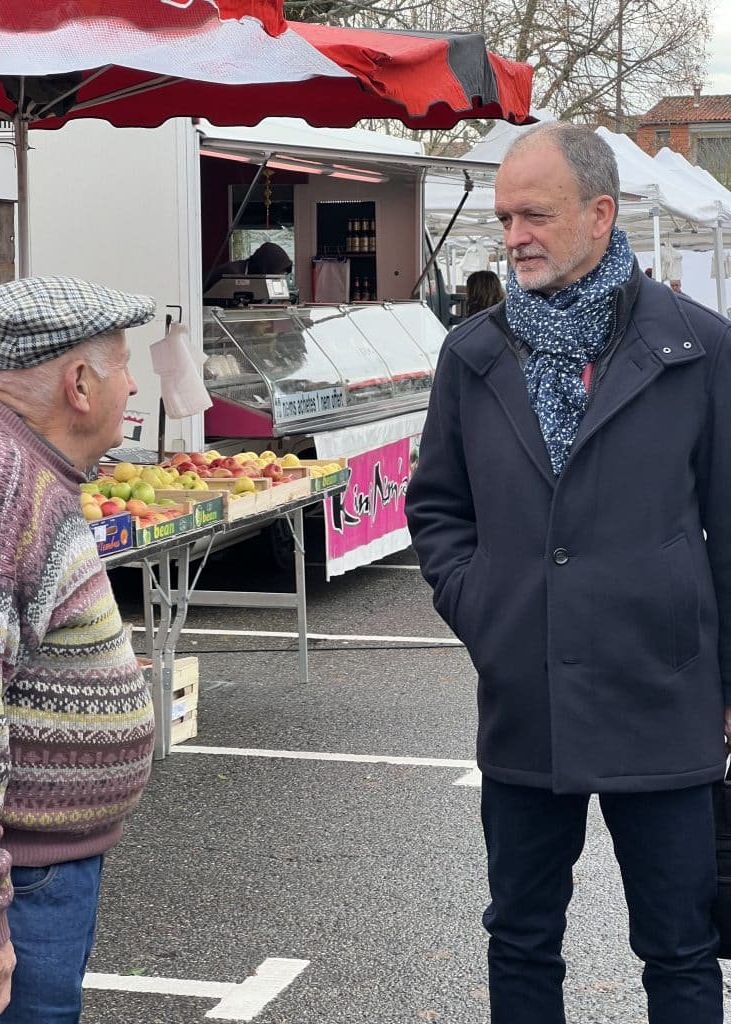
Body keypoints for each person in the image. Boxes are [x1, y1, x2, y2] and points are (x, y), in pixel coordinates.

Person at [405, 122, 731, 1024]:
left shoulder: (699, 348)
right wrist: (487, 610)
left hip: (662, 692)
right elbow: (438, 509)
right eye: (506, 217)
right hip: (527, 692)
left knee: (680, 948)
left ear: (599, 213)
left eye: (534, 215)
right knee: (520, 941)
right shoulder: (471, 354)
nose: (513, 237)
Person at [0, 276, 156, 1023]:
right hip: (18, 890)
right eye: (125, 364)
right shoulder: (0, 486)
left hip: (39, 876)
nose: (135, 383)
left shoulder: (21, 471)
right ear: (81, 383)